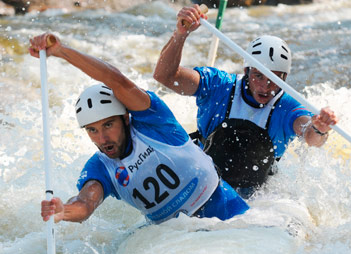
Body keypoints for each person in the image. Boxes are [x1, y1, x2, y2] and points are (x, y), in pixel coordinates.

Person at [29, 33, 249, 225]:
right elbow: (85, 203)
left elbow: (115, 80)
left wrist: (61, 51)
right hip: (177, 239)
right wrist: (63, 212)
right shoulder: (101, 167)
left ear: (125, 118)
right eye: (92, 130)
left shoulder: (153, 120)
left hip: (228, 214)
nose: (102, 137)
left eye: (108, 125)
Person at [153, 5, 339, 198]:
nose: (265, 86)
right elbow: (165, 75)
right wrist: (181, 34)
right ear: (246, 72)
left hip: (256, 198)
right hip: (204, 182)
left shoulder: (287, 107)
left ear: (284, 79)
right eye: (258, 76)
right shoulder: (218, 86)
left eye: (274, 80)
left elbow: (311, 136)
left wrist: (320, 128)